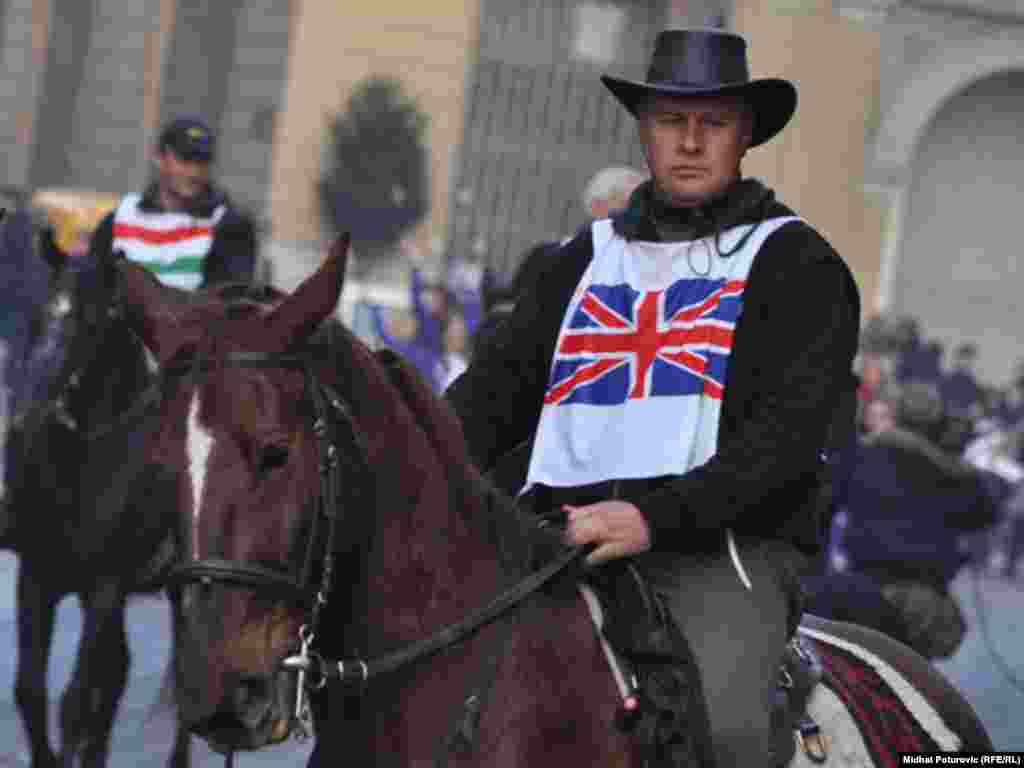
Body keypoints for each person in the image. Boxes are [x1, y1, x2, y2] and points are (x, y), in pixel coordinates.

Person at [446, 28, 860, 767]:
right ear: (644, 132)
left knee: (726, 735)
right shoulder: (579, 259)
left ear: (745, 136)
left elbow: (786, 443)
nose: (691, 142)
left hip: (721, 550)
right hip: (551, 534)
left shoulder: (801, 265)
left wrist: (653, 517)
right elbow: (488, 396)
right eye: (672, 121)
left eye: (714, 123)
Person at [837, 381, 999, 659]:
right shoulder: (950, 472)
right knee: (910, 682)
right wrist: (953, 455)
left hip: (861, 590)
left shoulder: (865, 455)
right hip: (923, 604)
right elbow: (985, 512)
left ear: (897, 414)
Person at [87, 115, 258, 289]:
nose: (194, 172)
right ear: (159, 158)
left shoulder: (230, 226)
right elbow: (93, 290)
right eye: (184, 160)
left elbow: (229, 302)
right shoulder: (120, 218)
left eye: (202, 162)